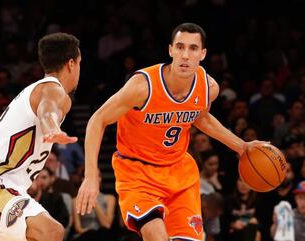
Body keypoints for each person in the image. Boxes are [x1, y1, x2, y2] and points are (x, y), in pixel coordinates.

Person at [76, 22, 265, 241]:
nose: (185, 55)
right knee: (157, 236)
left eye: (193, 48)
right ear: (170, 50)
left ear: (203, 54)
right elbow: (98, 119)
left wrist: (241, 146)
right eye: (180, 47)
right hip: (137, 171)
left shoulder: (208, 88)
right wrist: (90, 176)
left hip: (179, 172)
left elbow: (200, 117)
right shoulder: (142, 86)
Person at [0, 32, 81, 241]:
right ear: (71, 63)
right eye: (80, 63)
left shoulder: (33, 90)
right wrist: (52, 127)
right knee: (51, 231)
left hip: (6, 186)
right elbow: (47, 109)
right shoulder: (53, 89)